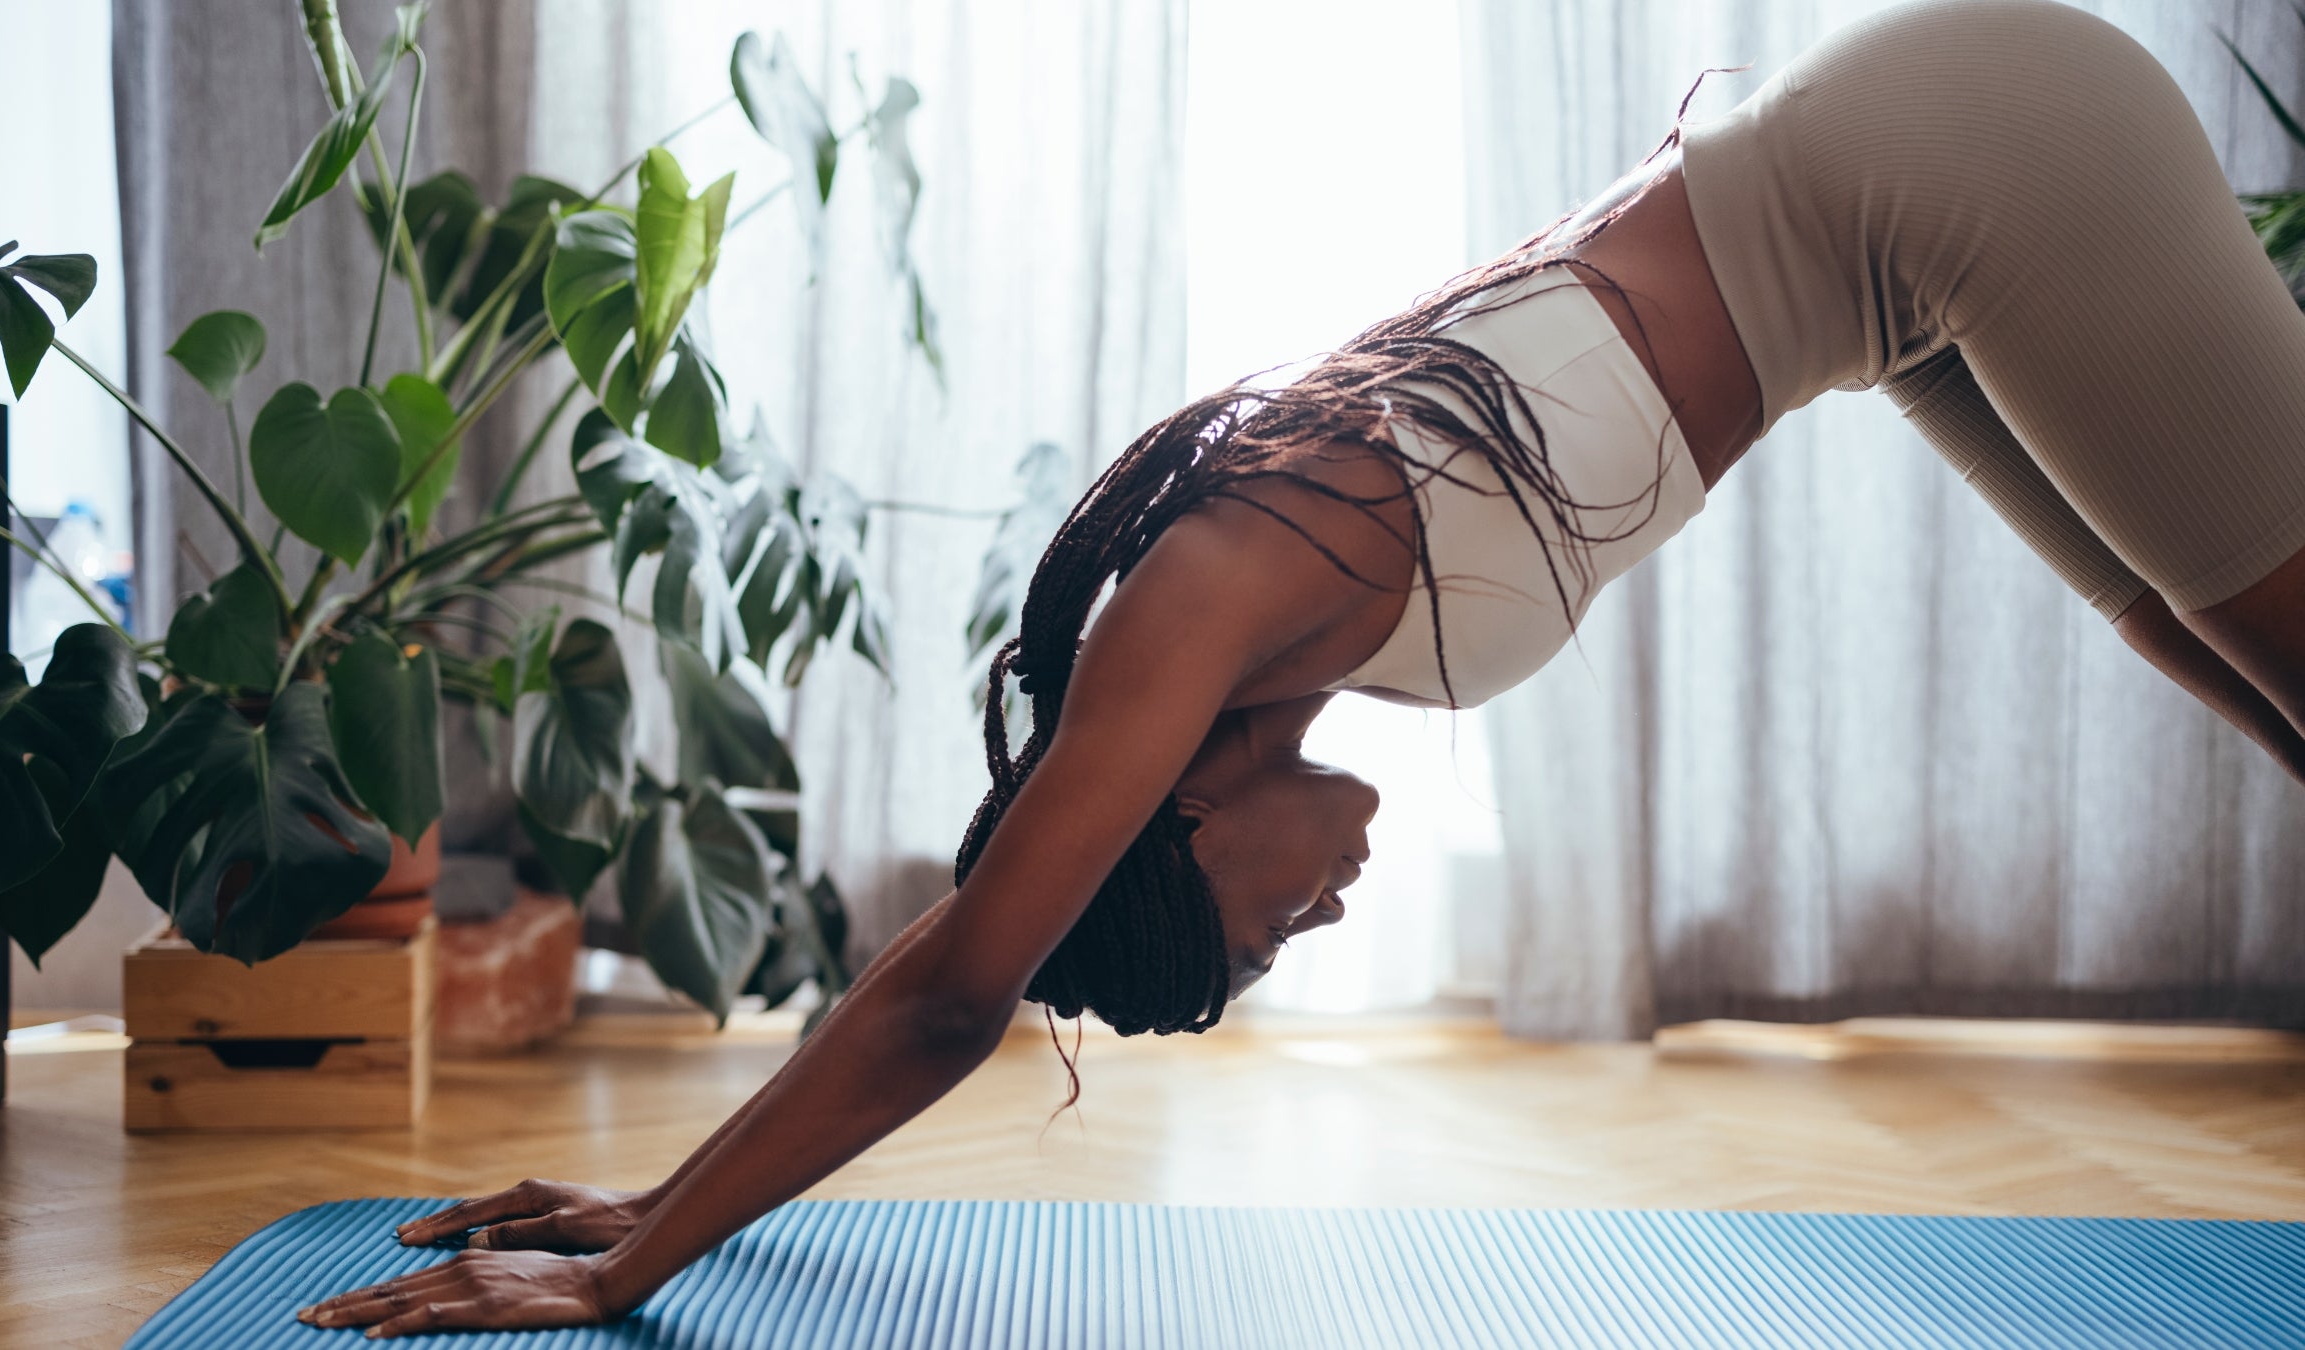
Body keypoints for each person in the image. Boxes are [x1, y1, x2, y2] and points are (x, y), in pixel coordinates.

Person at [301, 0, 2305, 1333]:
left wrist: (636, 1261)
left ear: (1169, 830)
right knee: (2188, 622)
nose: (1314, 925)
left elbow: (952, 988)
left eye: (1250, 941)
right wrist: (659, 1196)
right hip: (1896, 261)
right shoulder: (1257, 650)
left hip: (1957, 163)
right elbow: (939, 969)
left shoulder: (1196, 613)